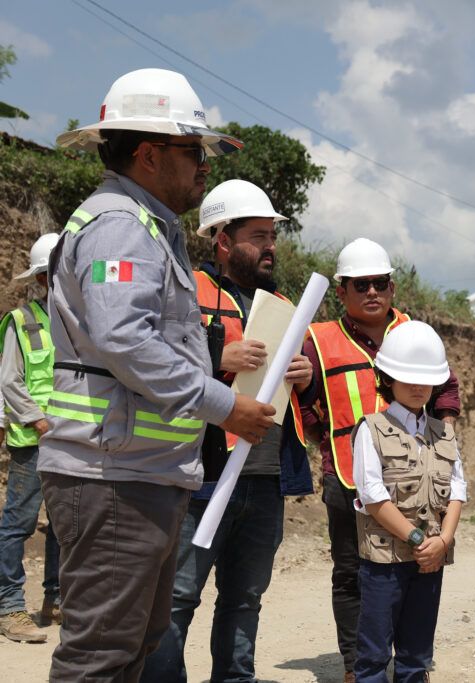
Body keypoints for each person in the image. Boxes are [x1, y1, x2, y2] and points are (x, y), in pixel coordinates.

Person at [42, 68, 275, 681]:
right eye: (192, 151)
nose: (204, 167)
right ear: (148, 155)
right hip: (110, 474)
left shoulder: (149, 226)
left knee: (133, 648)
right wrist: (224, 406)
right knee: (100, 655)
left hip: (138, 469)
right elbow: (125, 339)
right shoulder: (120, 226)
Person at [141, 179, 316, 682]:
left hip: (264, 479)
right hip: (201, 476)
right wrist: (215, 356)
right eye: (258, 236)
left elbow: (298, 399)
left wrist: (303, 378)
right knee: (177, 597)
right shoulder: (188, 290)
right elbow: (151, 359)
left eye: (272, 236)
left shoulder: (283, 306)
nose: (270, 247)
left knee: (245, 598)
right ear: (222, 239)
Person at [302, 238, 460, 682]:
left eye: (380, 283)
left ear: (392, 287)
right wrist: (326, 443)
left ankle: (411, 662)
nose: (372, 291)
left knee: (415, 571)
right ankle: (358, 666)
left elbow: (446, 386)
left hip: (415, 479)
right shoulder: (319, 339)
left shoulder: (413, 330)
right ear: (342, 291)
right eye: (361, 284)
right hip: (348, 477)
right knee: (353, 574)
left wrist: (442, 437)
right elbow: (307, 399)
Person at [351, 321, 465, 682]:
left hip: (429, 560)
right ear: (388, 378)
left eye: (425, 379)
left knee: (417, 654)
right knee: (373, 653)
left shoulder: (444, 433)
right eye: (408, 377)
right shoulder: (370, 429)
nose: (418, 387)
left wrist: (443, 542)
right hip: (385, 562)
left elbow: (458, 489)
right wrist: (420, 541)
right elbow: (372, 496)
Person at [0, 233, 62, 643]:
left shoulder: (80, 322)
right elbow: (10, 381)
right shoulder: (22, 322)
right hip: (33, 442)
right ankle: (9, 607)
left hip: (71, 443)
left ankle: (56, 600)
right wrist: (39, 422)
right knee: (18, 525)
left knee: (64, 526)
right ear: (42, 279)